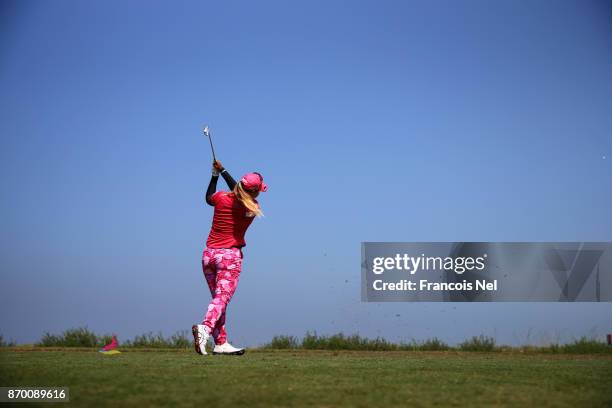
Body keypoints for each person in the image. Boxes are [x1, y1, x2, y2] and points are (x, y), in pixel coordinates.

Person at [192, 160, 267, 356]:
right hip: (229, 257)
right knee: (221, 300)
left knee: (218, 301)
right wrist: (223, 171)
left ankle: (221, 343)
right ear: (256, 192)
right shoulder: (252, 207)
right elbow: (240, 193)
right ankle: (205, 329)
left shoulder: (221, 198)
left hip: (208, 256)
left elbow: (209, 197)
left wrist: (215, 174)